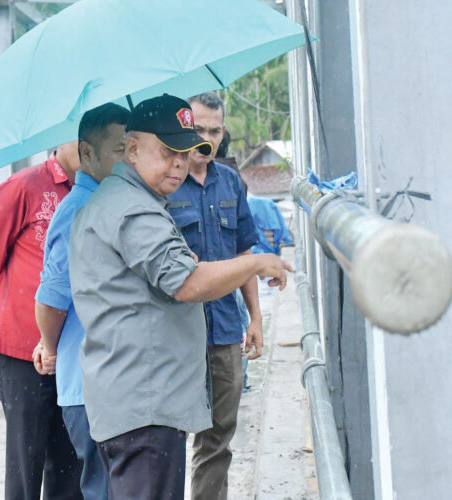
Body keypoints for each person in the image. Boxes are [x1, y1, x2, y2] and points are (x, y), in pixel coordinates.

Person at [69, 94, 292, 500]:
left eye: (184, 154)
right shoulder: (133, 209)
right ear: (132, 149)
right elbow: (187, 284)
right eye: (168, 151)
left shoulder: (126, 201)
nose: (178, 163)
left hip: (136, 397)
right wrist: (255, 263)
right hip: (145, 404)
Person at [0, 143, 83, 499]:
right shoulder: (25, 186)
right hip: (23, 349)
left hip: (72, 349)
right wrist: (14, 309)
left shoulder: (98, 190)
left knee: (70, 461)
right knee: (26, 459)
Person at [166, 91, 262, 500]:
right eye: (198, 129)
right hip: (175, 334)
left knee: (217, 438)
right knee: (166, 439)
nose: (206, 138)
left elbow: (244, 253)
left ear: (224, 132)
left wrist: (255, 318)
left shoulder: (230, 183)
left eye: (215, 130)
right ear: (185, 129)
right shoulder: (164, 185)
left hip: (224, 330)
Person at [33, 103, 129, 500]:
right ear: (87, 153)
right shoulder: (79, 211)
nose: (129, 160)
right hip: (90, 388)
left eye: (134, 149)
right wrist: (49, 345)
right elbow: (52, 299)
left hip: (113, 382)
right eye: (120, 149)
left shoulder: (115, 204)